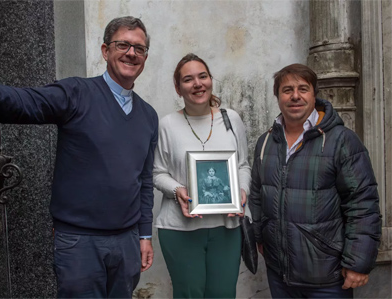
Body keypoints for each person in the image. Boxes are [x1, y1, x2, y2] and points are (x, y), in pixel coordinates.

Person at [0, 16, 158, 298]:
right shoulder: (76, 93)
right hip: (80, 243)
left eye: (139, 48)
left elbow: (144, 181)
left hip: (127, 244)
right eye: (123, 45)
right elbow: (22, 103)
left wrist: (144, 235)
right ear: (105, 50)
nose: (132, 53)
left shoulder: (148, 116)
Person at [249, 63, 382, 298]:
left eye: (303, 88)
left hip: (326, 277)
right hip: (279, 274)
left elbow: (362, 203)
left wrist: (358, 262)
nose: (295, 96)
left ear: (314, 94)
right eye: (287, 90)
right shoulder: (266, 142)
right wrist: (260, 236)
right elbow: (258, 194)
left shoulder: (341, 140)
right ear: (277, 96)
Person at [153, 53, 251, 298]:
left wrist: (241, 192)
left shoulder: (231, 119)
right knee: (189, 294)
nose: (197, 84)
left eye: (202, 76)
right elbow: (157, 172)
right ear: (178, 88)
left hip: (227, 227)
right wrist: (177, 191)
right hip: (180, 228)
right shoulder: (167, 124)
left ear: (210, 80)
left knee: (223, 293)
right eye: (188, 79)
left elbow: (243, 165)